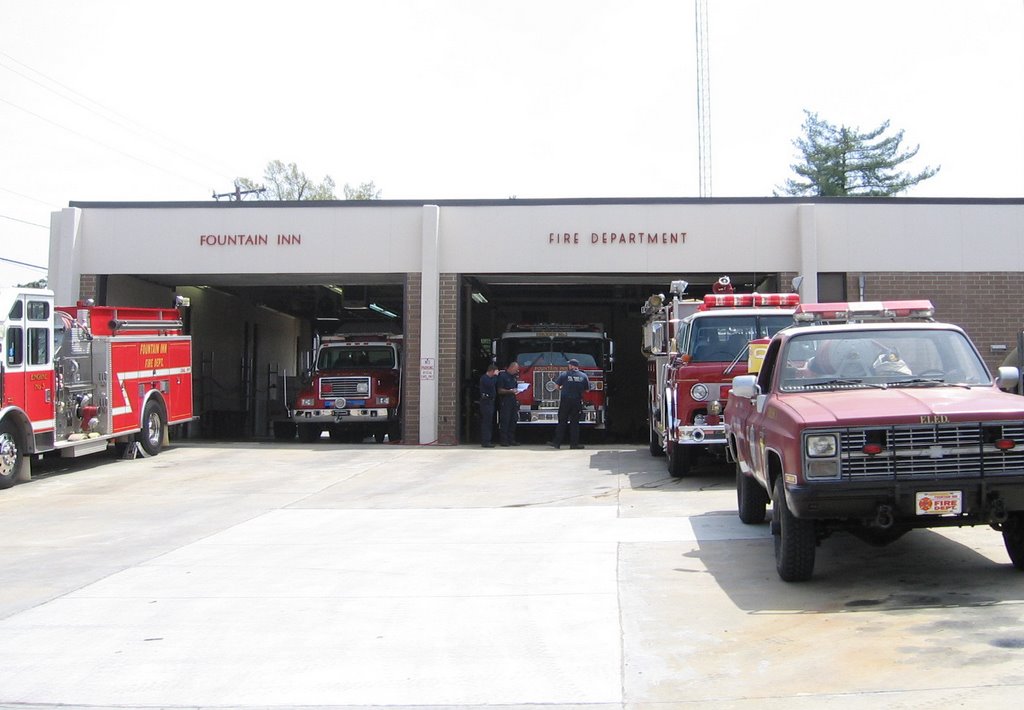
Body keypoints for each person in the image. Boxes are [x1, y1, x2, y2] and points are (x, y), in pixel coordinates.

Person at [550, 358, 590, 449]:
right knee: (575, 423)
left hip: (565, 401)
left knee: (562, 422)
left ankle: (557, 443)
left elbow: (556, 386)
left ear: (571, 366)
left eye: (569, 364)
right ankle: (574, 444)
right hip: (577, 401)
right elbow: (587, 390)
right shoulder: (583, 376)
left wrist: (562, 389)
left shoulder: (564, 375)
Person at [496, 361, 522, 446]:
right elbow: (499, 390)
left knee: (513, 420)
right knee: (505, 421)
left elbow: (515, 387)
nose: (517, 371)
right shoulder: (502, 376)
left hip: (513, 401)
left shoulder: (513, 377)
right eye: (516, 369)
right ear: (511, 368)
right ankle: (504, 441)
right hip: (505, 401)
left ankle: (511, 440)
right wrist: (510, 391)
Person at [478, 363, 499, 447]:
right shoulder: (485, 378)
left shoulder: (490, 378)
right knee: (486, 422)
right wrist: (495, 376)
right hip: (486, 402)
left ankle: (488, 440)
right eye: (495, 372)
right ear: (491, 371)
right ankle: (485, 441)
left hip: (490, 402)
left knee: (489, 422)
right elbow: (491, 384)